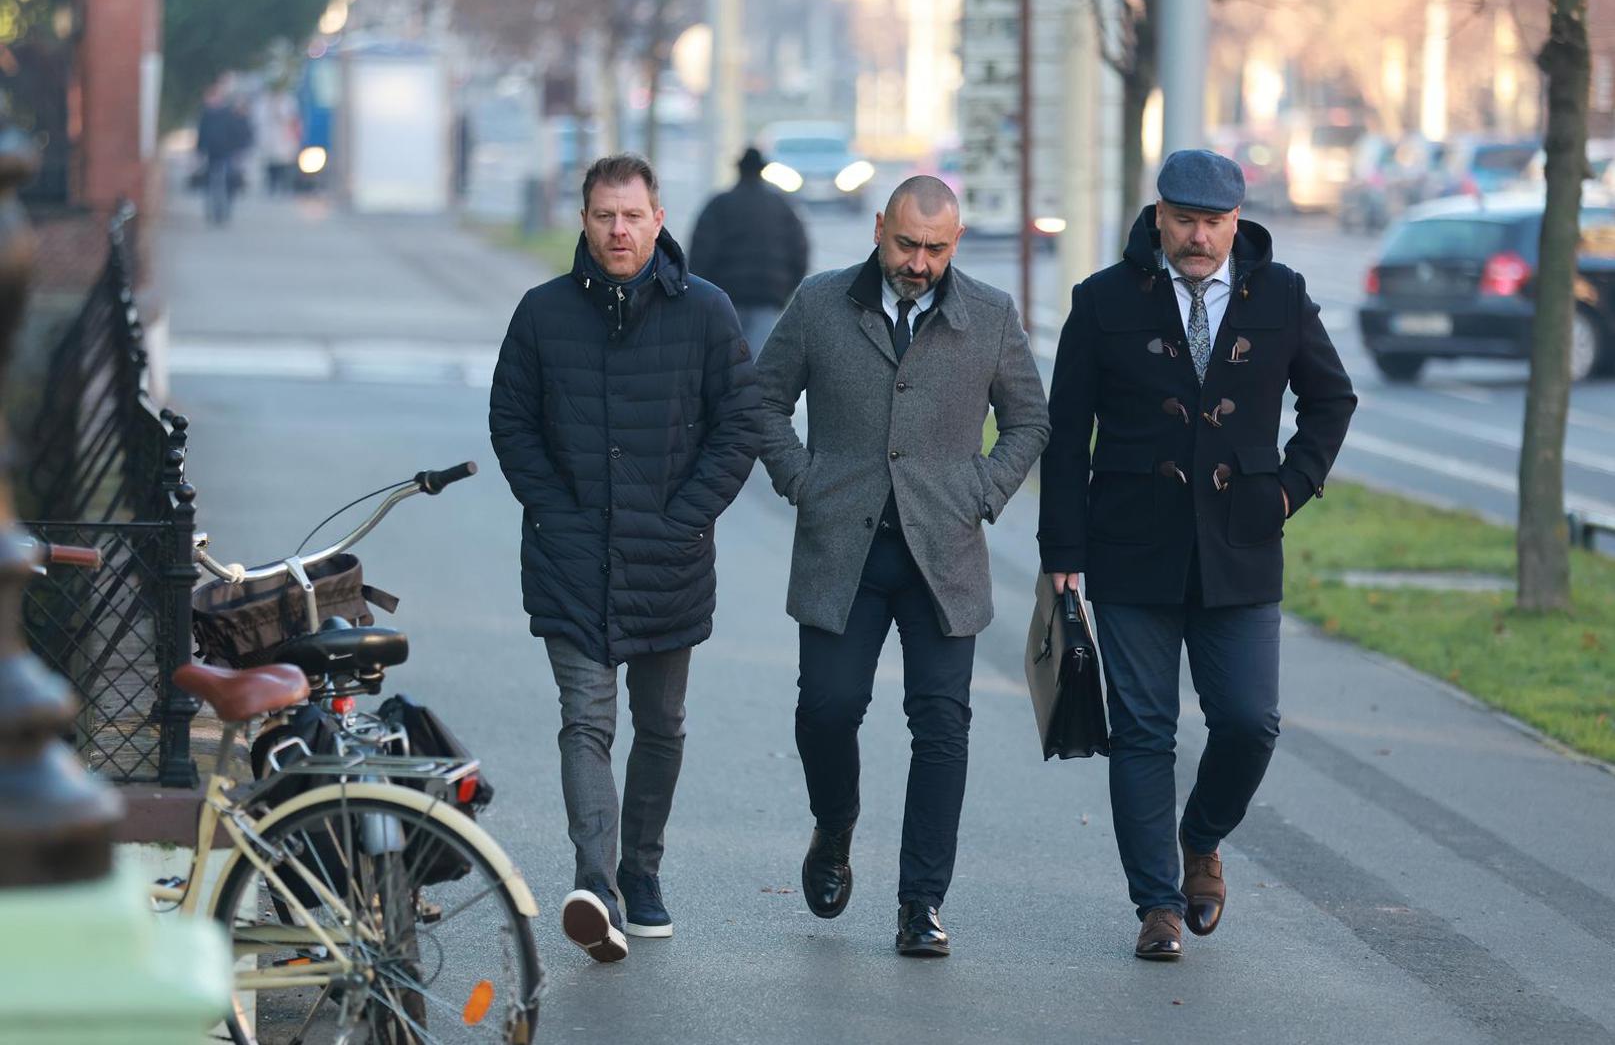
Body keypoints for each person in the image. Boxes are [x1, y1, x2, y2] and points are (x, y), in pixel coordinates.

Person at [1038, 149, 1357, 960]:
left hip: (1242, 544)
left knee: (1249, 722)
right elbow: (1066, 433)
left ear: (1236, 221)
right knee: (1142, 730)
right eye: (1183, 219)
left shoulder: (1280, 297)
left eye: (1213, 222)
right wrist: (1060, 549)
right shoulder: (1103, 300)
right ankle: (1156, 905)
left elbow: (1330, 400)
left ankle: (1201, 837)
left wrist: (1289, 488)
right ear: (1158, 217)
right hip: (1130, 544)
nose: (1197, 236)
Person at [754, 175, 1048, 957]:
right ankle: (834, 825)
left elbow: (1029, 419)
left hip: (943, 553)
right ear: (879, 226)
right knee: (826, 709)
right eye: (906, 244)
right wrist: (801, 480)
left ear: (955, 242)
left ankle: (920, 904)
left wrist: (980, 491)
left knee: (941, 726)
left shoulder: (987, 314)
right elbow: (760, 402)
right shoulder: (819, 304)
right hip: (841, 549)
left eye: (936, 248)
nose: (918, 263)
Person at [489, 153, 761, 963]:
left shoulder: (707, 314)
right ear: (583, 220)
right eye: (604, 215)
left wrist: (684, 518)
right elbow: (513, 424)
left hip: (668, 557)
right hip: (570, 556)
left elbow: (738, 427)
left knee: (662, 723)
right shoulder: (541, 314)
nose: (618, 229)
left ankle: (641, 872)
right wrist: (557, 513)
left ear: (658, 218)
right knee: (585, 720)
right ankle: (596, 885)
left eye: (632, 215)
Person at [688, 145, 810, 359]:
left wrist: (703, 295)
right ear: (762, 170)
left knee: (727, 360)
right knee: (757, 363)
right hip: (767, 298)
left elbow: (700, 254)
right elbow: (800, 253)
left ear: (739, 170)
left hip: (725, 300)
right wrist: (783, 292)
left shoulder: (719, 204)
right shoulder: (781, 205)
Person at [195, 84, 252, 225]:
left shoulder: (228, 114)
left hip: (227, 152)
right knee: (210, 184)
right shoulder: (206, 115)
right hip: (211, 153)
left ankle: (224, 210)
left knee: (227, 181)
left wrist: (237, 150)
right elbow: (201, 134)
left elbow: (237, 133)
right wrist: (199, 151)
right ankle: (212, 211)